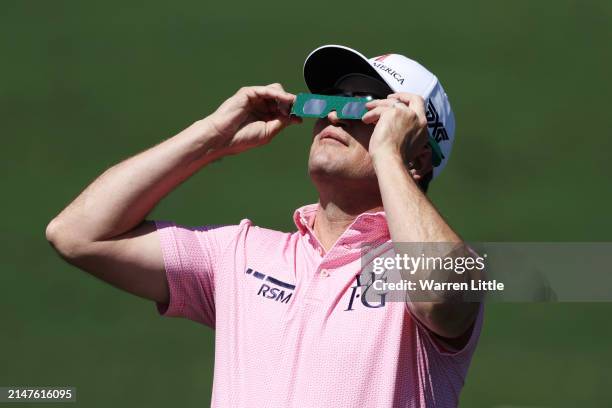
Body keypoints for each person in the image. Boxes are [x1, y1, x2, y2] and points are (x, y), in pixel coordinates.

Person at [46, 44, 484, 407]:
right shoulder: (240, 253)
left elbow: (441, 296)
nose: (333, 117)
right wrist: (211, 137)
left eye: (366, 110)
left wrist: (389, 154)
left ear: (418, 155)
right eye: (333, 100)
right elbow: (77, 234)